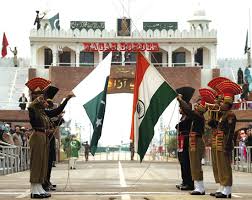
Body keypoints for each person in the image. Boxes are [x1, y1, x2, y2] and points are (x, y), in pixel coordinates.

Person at [177, 88, 216, 195]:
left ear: (203, 108)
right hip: (194, 141)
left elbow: (188, 111)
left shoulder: (198, 117)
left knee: (196, 165)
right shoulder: (196, 116)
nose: (197, 106)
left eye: (199, 105)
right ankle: (198, 187)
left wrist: (181, 100)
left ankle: (200, 188)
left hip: (197, 141)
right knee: (193, 165)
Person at [213, 80, 242, 198]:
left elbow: (230, 131)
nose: (221, 104)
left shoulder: (230, 115)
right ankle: (223, 186)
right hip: (220, 140)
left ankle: (228, 189)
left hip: (225, 141)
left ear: (228, 103)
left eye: (223, 102)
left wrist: (228, 145)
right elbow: (212, 122)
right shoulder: (223, 114)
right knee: (220, 165)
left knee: (225, 165)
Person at [175, 86, 195, 191]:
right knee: (182, 162)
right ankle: (184, 181)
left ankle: (189, 183)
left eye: (181, 107)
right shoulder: (183, 117)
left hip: (187, 142)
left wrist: (181, 100)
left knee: (187, 162)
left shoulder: (189, 115)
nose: (179, 109)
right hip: (182, 141)